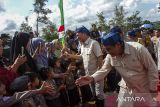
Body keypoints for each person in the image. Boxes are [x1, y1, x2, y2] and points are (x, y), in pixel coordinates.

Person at [76, 32, 159, 107]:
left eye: (109, 49)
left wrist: (153, 88)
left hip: (144, 87)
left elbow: (152, 69)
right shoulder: (110, 56)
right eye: (105, 49)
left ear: (118, 44)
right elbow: (104, 70)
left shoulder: (138, 49)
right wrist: (91, 78)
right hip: (126, 87)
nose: (107, 52)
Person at [64, 26, 104, 107]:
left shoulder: (94, 43)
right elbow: (81, 56)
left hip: (97, 76)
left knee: (99, 95)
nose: (77, 37)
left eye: (78, 35)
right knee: (94, 94)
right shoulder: (82, 45)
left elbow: (100, 58)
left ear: (84, 34)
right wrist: (70, 55)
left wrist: (100, 75)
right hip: (88, 76)